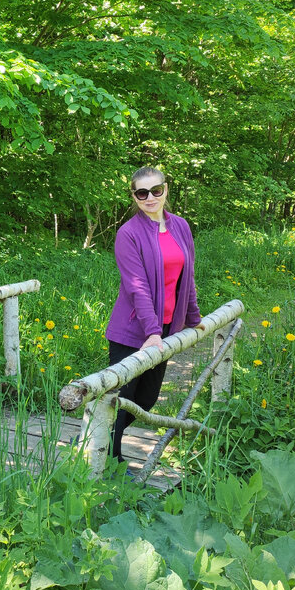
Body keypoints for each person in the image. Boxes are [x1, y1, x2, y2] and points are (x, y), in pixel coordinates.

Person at [104, 166, 205, 466]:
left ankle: (94, 440)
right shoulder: (128, 234)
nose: (150, 198)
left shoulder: (181, 227)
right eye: (142, 193)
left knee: (145, 400)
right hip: (134, 331)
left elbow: (188, 277)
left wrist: (194, 317)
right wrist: (152, 332)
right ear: (134, 197)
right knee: (121, 403)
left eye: (156, 190)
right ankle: (112, 464)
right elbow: (137, 287)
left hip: (163, 331)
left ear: (165, 189)